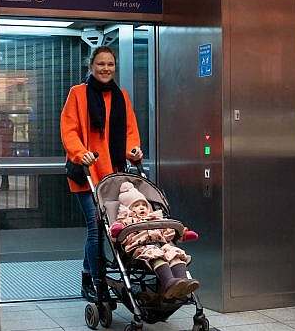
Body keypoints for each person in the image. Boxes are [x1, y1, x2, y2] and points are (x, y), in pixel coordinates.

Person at [60, 46, 142, 298]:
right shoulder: (78, 93)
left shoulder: (121, 96)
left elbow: (129, 130)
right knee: (96, 226)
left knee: (109, 228)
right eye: (100, 64)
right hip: (86, 173)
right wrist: (79, 151)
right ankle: (97, 282)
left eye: (110, 64)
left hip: (113, 175)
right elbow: (69, 128)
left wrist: (134, 150)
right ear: (91, 66)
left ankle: (88, 273)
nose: (105, 68)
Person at [110, 181, 200, 299]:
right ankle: (169, 282)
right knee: (155, 254)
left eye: (144, 204)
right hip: (140, 247)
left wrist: (182, 234)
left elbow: (168, 232)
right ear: (129, 209)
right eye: (136, 205)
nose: (141, 207)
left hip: (161, 244)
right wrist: (117, 230)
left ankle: (183, 283)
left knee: (174, 253)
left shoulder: (156, 219)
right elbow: (115, 233)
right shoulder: (127, 220)